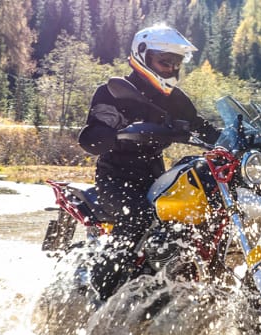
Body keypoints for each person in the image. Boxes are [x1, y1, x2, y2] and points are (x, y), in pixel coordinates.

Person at [78, 24, 221, 301]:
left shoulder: (174, 98)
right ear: (142, 54)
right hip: (116, 179)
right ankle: (102, 293)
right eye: (165, 61)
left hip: (155, 178)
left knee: (198, 208)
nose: (171, 68)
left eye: (176, 63)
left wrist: (236, 140)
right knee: (139, 215)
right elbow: (93, 133)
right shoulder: (114, 91)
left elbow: (202, 127)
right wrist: (112, 133)